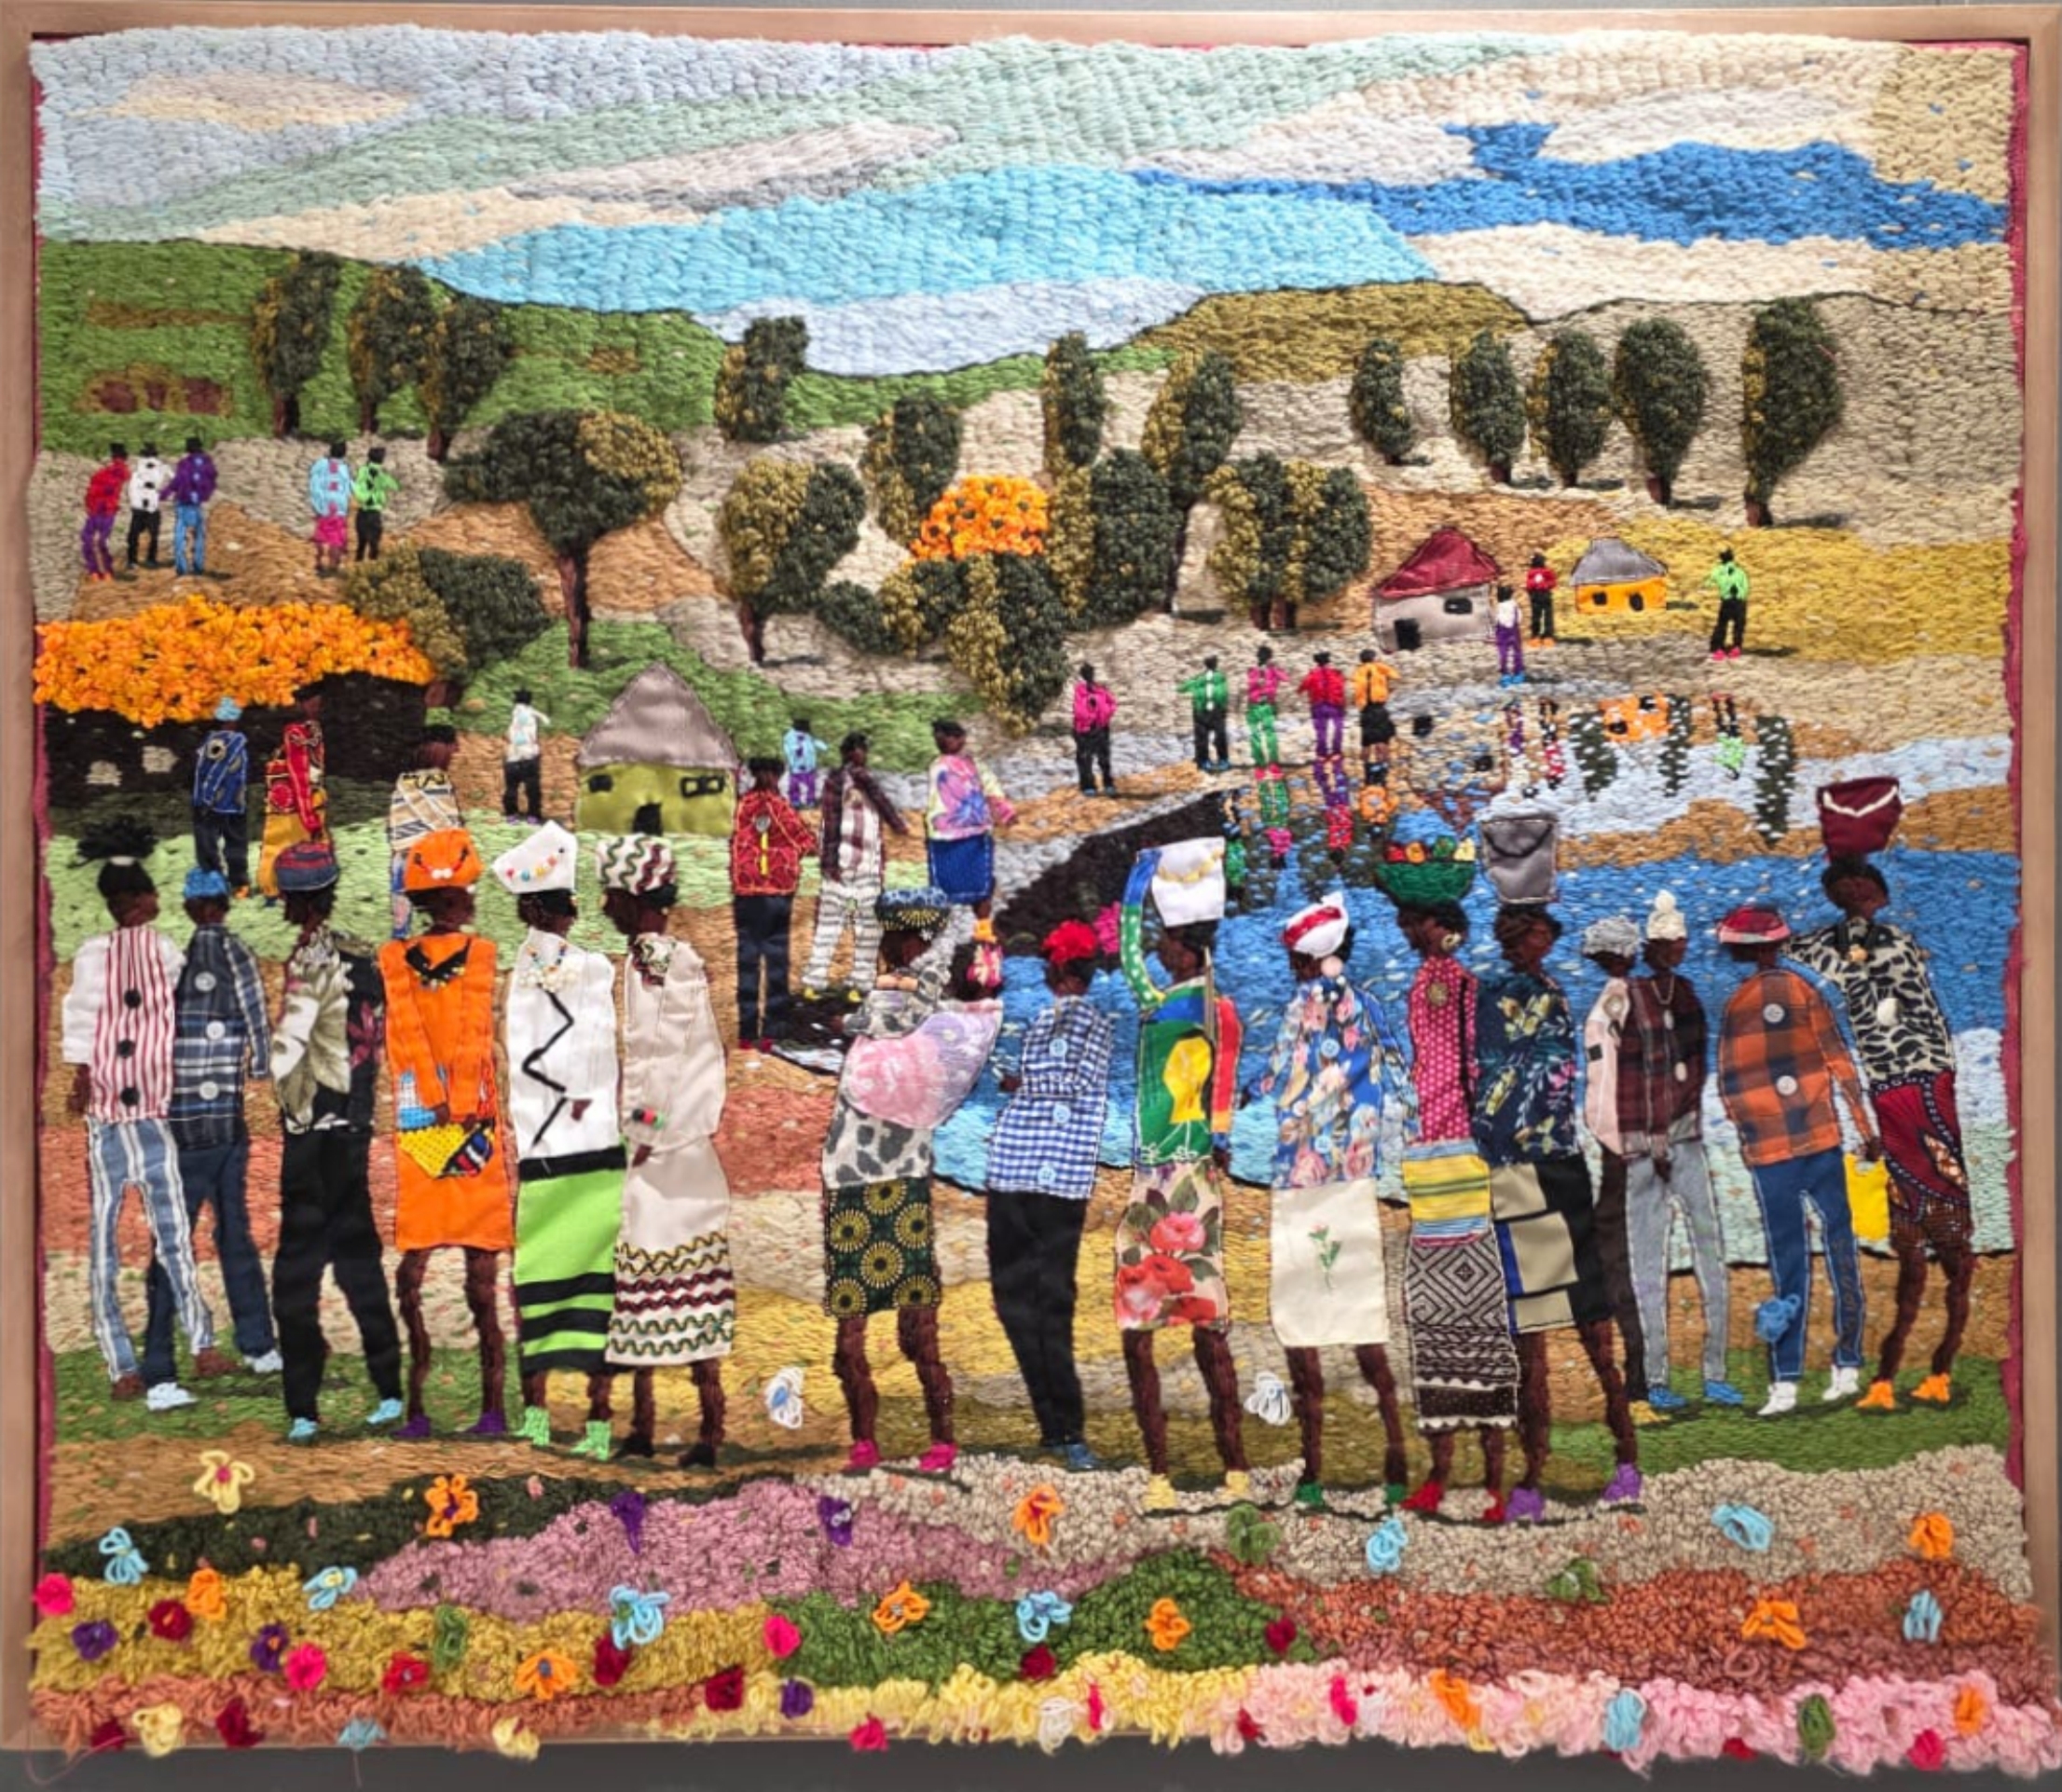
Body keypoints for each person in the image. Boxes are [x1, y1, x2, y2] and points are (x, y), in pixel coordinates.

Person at [1475, 905, 1642, 1515]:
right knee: (1534, 1332)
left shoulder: (1552, 993)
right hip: (1523, 1168)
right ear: (1511, 938)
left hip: (1552, 1165)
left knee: (1587, 1323)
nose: (1537, 940)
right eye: (1527, 932)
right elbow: (1495, 1075)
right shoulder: (1500, 992)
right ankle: (1536, 1472)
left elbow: (1543, 1077)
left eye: (1542, 932)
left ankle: (1622, 1456)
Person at [1249, 892, 1414, 1508]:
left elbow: (1275, 1078)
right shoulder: (1367, 1005)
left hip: (1302, 1178)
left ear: (1304, 961)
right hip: (1354, 1176)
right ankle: (1395, 1463)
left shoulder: (1301, 1006)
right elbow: (1399, 1068)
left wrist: (1237, 1097)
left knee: (1303, 1329)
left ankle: (1315, 1474)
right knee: (1364, 1323)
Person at [1789, 862, 1971, 1411]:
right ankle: (1890, 1378)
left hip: (1923, 1081)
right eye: (1840, 886)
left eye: (1860, 884)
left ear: (1880, 893)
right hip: (1891, 1086)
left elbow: (1854, 967)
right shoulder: (1842, 944)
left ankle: (1938, 1369)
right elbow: (1817, 955)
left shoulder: (1891, 944)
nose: (1850, 891)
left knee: (1950, 1241)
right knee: (1912, 1242)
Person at [821, 890, 987, 1472]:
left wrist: (849, 1018)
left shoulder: (901, 1000)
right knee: (902, 1326)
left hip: (860, 1173)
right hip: (888, 1173)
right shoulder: (917, 1001)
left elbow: (885, 1025)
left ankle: (878, 1441)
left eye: (898, 940)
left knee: (872, 1327)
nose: (894, 950)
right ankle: (927, 1439)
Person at [62, 825, 216, 1411]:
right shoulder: (95, 954)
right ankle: (121, 1363)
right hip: (110, 1116)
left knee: (172, 1233)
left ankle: (201, 1342)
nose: (146, 903)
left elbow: (183, 1009)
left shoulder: (164, 951)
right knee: (107, 1239)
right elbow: (82, 1018)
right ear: (128, 901)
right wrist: (83, 1075)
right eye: (139, 896)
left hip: (151, 1110)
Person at [1116, 841, 1250, 1508]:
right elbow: (1224, 1089)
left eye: (1165, 942)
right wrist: (1219, 1137)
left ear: (1183, 948)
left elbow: (1124, 951)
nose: (1157, 950)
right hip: (1196, 1179)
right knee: (1208, 1329)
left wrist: (1138, 880)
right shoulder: (1219, 1008)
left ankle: (1160, 1476)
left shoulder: (1161, 1003)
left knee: (1138, 1333)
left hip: (1154, 1177)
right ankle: (1235, 1471)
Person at [598, 836, 736, 1466]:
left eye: (613, 895)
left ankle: (701, 1430)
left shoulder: (664, 962)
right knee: (655, 1286)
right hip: (663, 1143)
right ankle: (651, 1427)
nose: (605, 906)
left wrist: (645, 1131)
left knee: (671, 1282)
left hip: (670, 1148)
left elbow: (665, 1053)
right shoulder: (647, 960)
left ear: (635, 897)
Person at [267, 840, 405, 1441]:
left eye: (288, 900)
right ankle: (389, 1390)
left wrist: (284, 1095)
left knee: (296, 1277)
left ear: (298, 902)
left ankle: (303, 1408)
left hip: (312, 1133)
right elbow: (370, 1047)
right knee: (358, 1263)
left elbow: (289, 1053)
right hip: (351, 1129)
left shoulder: (311, 961)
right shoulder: (361, 957)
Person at [379, 828, 515, 1438]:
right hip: (466, 1120)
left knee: (420, 1268)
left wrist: (434, 1102)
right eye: (464, 893)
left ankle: (424, 1408)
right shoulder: (479, 957)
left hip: (424, 1120)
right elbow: (472, 1037)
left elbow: (405, 1038)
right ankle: (484, 1408)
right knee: (477, 1272)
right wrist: (456, 1104)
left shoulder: (396, 961)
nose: (469, 902)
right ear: (452, 899)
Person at [493, 823, 624, 1459]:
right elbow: (597, 1055)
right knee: (594, 1284)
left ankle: (543, 1415)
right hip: (590, 1144)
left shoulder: (519, 977)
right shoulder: (593, 970)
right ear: (563, 910)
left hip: (544, 1149)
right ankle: (593, 1424)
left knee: (541, 1280)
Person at [1714, 903, 1874, 1416]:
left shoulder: (1738, 1004)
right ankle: (1846, 1361)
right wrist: (1865, 1128)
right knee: (1841, 1249)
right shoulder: (1804, 992)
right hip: (1819, 1141)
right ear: (1779, 944)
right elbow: (1839, 1061)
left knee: (1789, 1261)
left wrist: (1749, 1138)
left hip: (1771, 1155)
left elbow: (1730, 1085)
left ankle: (1787, 1379)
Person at [1391, 898, 1516, 1518]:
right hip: (1433, 1155)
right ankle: (1447, 1476)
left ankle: (1487, 1481)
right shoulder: (1428, 984)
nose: (1412, 929)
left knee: (1470, 1318)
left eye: (1421, 920)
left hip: (1457, 1151)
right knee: (1442, 1319)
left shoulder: (1456, 985)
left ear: (1445, 928)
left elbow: (1476, 1064)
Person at [142, 866, 280, 1393]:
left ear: (189, 909)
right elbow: (256, 1014)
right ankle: (257, 1344)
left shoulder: (176, 962)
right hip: (224, 1118)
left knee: (172, 1238)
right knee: (234, 1233)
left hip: (180, 1120)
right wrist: (260, 1065)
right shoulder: (236, 953)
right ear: (225, 905)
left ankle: (160, 1363)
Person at [983, 919, 1114, 1469]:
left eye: (1049, 963)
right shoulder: (1045, 1020)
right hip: (1024, 1170)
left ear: (1062, 969)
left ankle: (1066, 1427)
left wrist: (1022, 1084)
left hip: (1050, 1177)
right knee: (1026, 1300)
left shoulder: (1086, 1023)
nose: (1043, 970)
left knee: (1041, 1301)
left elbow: (1080, 1084)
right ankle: (1056, 1425)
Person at [1620, 891, 1739, 1411]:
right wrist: (1655, 1139)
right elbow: (1631, 1077)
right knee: (1648, 1264)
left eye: (1679, 942)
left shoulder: (1686, 994)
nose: (1673, 950)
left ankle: (1715, 1373)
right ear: (1650, 947)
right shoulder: (1632, 996)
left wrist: (1677, 1129)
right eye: (1664, 943)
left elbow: (1695, 1069)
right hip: (1643, 1150)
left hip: (1685, 1141)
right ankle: (1657, 1378)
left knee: (1710, 1252)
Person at [1578, 916, 1651, 1412]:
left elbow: (1612, 1084)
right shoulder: (1624, 1002)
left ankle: (1640, 1375)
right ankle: (1641, 1371)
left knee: (1620, 1259)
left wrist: (1614, 1139)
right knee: (1621, 1256)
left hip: (1620, 1149)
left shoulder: (1617, 1005)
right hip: (1622, 1145)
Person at [803, 731, 908, 1001]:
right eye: (857, 749)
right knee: (834, 924)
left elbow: (882, 809)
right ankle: (818, 981)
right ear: (847, 753)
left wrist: (897, 827)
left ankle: (856, 982)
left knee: (863, 926)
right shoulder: (842, 781)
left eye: (863, 749)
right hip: (844, 864)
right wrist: (829, 862)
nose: (861, 754)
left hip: (865, 866)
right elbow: (832, 820)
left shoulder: (864, 782)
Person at [731, 755, 815, 1049]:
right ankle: (772, 1032)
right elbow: (806, 842)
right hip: (777, 891)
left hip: (747, 891)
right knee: (776, 960)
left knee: (748, 961)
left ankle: (747, 1033)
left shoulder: (741, 806)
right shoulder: (780, 807)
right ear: (776, 776)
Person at [924, 719, 1014, 974]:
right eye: (939, 737)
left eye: (950, 736)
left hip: (974, 833)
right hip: (944, 835)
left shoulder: (974, 765)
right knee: (944, 885)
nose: (943, 741)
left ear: (961, 738)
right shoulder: (937, 766)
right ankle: (938, 936)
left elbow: (991, 788)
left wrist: (1004, 811)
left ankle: (983, 929)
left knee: (981, 884)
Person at [387, 724, 463, 941]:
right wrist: (455, 834)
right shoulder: (435, 780)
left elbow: (397, 822)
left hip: (404, 854)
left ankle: (401, 941)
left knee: (402, 903)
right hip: (427, 856)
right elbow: (443, 817)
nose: (455, 752)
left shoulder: (406, 779)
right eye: (451, 747)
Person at [256, 682, 327, 898]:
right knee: (283, 839)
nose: (316, 708)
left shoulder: (311, 728)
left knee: (289, 840)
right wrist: (308, 815)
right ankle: (274, 887)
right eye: (313, 704)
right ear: (301, 704)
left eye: (318, 704)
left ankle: (297, 883)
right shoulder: (296, 732)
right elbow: (299, 773)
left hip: (302, 794)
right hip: (296, 796)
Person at [191, 697, 252, 895]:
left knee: (207, 845)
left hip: (214, 804)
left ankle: (214, 883)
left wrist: (204, 799)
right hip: (233, 803)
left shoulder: (213, 742)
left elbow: (208, 773)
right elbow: (217, 771)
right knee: (236, 844)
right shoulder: (230, 742)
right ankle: (239, 885)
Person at [169, 435, 217, 578]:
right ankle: (198, 566)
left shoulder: (184, 463)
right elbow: (212, 481)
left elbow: (177, 482)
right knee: (199, 535)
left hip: (184, 501)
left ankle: (182, 567)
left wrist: (165, 493)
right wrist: (203, 495)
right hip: (196, 504)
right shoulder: (207, 464)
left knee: (180, 534)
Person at [81, 442, 128, 583]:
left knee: (94, 540)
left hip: (102, 509)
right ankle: (101, 571)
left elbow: (98, 488)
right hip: (103, 509)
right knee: (96, 540)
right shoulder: (114, 471)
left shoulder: (113, 472)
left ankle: (100, 571)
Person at [503, 688, 548, 824]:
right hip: (529, 756)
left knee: (511, 788)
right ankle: (533, 816)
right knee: (532, 789)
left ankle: (511, 815)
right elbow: (546, 721)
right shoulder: (532, 713)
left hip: (513, 757)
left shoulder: (514, 713)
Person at [309, 441, 353, 578]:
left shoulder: (321, 465)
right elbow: (347, 489)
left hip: (325, 504)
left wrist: (318, 505)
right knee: (336, 537)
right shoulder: (344, 469)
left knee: (321, 535)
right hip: (339, 506)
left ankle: (319, 562)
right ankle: (333, 566)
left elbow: (314, 485)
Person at [1071, 663, 1117, 797]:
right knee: (1085, 759)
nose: (1089, 676)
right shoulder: (1079, 691)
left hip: (1101, 728)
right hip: (1085, 730)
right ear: (1083, 675)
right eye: (1086, 673)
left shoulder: (1101, 690)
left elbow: (1112, 704)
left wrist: (1104, 715)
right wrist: (1091, 714)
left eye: (1091, 673)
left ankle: (1108, 783)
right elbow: (1079, 712)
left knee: (1104, 758)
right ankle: (1088, 785)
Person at [125, 441, 171, 571]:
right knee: (134, 535)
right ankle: (132, 560)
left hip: (151, 507)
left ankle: (150, 559)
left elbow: (169, 477)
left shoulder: (158, 469)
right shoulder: (139, 473)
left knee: (152, 534)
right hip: (140, 508)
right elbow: (132, 490)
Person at [1180, 656, 1230, 773]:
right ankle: (1209, 761)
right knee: (1209, 737)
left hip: (1208, 712)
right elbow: (1224, 694)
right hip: (1208, 712)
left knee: (1212, 737)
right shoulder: (1216, 678)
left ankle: (1213, 761)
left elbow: (1182, 688)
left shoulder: (1217, 678)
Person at [351, 446, 398, 562]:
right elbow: (395, 486)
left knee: (361, 544)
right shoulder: (382, 475)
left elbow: (357, 487)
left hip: (362, 512)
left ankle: (358, 565)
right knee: (374, 545)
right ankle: (373, 567)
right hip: (374, 513)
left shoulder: (363, 471)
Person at [1352, 649, 1396, 768]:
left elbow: (1357, 690)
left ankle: (1364, 767)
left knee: (1366, 742)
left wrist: (1358, 703)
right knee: (1382, 739)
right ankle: (1385, 766)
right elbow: (1395, 676)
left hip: (1367, 710)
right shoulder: (1380, 668)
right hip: (1379, 709)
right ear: (1373, 658)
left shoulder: (1359, 671)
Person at [1704, 547, 1749, 661]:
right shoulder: (1740, 571)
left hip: (1727, 601)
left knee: (1722, 625)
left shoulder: (1718, 570)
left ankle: (1718, 650)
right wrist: (1741, 595)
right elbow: (1746, 587)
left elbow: (1708, 583)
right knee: (1738, 626)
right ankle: (1736, 648)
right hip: (1740, 602)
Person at [1245, 645, 1285, 771]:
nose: (1263, 658)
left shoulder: (1273, 670)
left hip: (1267, 705)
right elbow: (1247, 684)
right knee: (1254, 735)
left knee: (1270, 735)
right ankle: (1260, 764)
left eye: (1266, 656)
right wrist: (1257, 681)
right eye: (1262, 656)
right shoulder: (1252, 670)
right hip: (1254, 705)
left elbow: (1285, 678)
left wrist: (1274, 668)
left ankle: (1273, 762)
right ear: (1258, 656)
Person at [1299, 652, 1346, 759]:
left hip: (1319, 705)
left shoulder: (1312, 674)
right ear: (1328, 662)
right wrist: (1343, 705)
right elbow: (1341, 688)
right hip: (1334, 705)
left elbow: (1302, 688)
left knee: (1321, 730)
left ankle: (1322, 753)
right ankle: (1336, 751)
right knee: (1338, 728)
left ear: (1317, 663)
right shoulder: (1336, 673)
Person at [782, 717, 831, 809]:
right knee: (795, 786)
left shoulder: (808, 738)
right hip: (796, 767)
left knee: (810, 785)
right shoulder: (790, 738)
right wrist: (797, 748)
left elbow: (818, 744)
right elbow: (789, 751)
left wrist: (823, 746)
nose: (803, 734)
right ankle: (796, 801)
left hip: (808, 767)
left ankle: (809, 801)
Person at [1493, 584, 1526, 686]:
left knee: (1503, 654)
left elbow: (1498, 620)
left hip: (1503, 632)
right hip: (1514, 631)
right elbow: (1520, 618)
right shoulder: (1514, 605)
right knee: (1517, 653)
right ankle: (1518, 673)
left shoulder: (1500, 607)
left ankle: (1506, 675)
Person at [1525, 553, 1558, 646]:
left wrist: (1535, 585)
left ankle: (1537, 637)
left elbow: (1529, 585)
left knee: (1537, 617)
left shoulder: (1533, 572)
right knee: (1547, 616)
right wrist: (1544, 585)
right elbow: (1553, 583)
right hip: (1543, 594)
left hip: (1538, 595)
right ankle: (1546, 637)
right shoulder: (1545, 571)